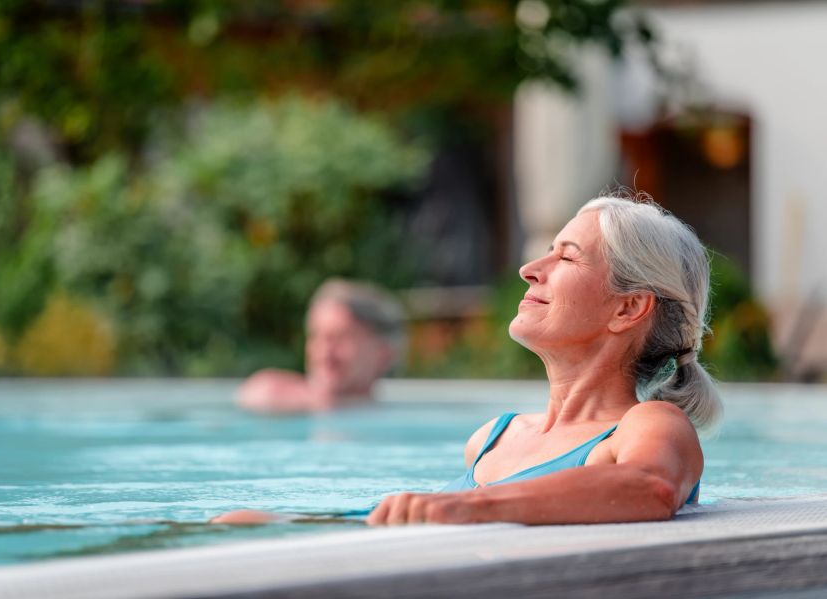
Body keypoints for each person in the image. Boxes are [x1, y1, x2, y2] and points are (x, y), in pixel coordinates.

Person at [214, 196, 722, 526]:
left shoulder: (651, 424)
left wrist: (463, 507)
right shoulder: (492, 437)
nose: (529, 269)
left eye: (565, 257)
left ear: (628, 307)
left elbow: (648, 487)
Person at [237, 279, 406, 414]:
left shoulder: (395, 421)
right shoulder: (280, 398)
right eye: (315, 337)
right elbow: (258, 393)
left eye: (340, 338)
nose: (324, 352)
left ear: (383, 353)